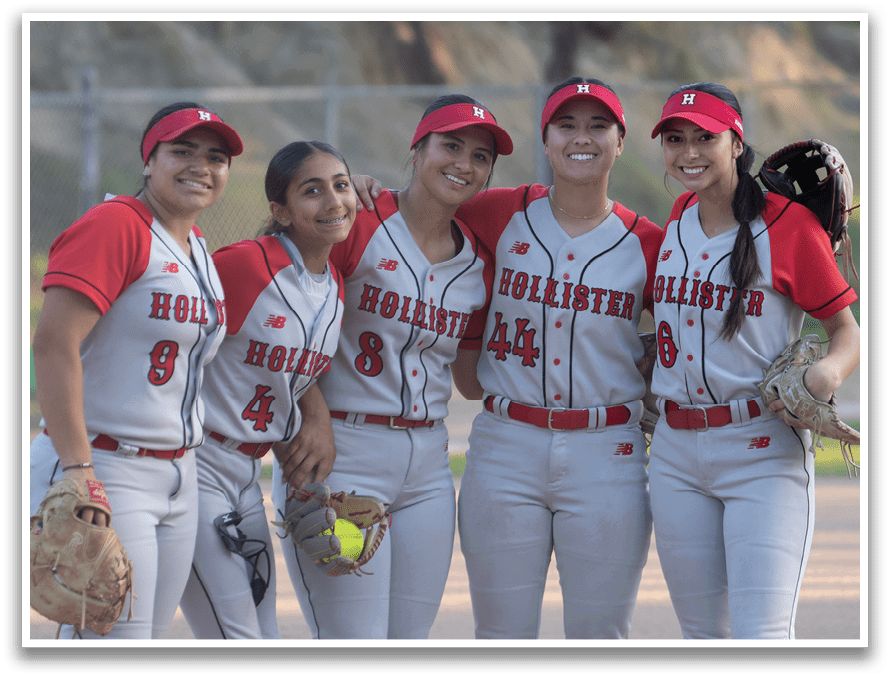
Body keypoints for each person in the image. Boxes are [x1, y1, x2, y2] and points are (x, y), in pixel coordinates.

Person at [353, 78, 662, 639]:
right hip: (505, 447)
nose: (581, 137)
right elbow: (419, 207)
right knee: (500, 634)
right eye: (566, 125)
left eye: (598, 126)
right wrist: (356, 189)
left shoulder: (649, 241)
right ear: (545, 140)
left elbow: (701, 319)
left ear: (622, 141)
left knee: (601, 633)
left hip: (607, 451)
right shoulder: (495, 211)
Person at [272, 94, 513, 639]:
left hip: (428, 466)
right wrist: (309, 410)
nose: (464, 163)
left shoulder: (477, 259)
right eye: (450, 146)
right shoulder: (355, 221)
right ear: (417, 150)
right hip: (341, 453)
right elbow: (279, 315)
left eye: (480, 156)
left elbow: (470, 382)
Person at [647, 82, 860, 639]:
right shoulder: (678, 215)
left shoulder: (788, 223)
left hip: (762, 450)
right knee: (703, 636)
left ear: (736, 144)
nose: (688, 152)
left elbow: (847, 333)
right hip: (673, 456)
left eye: (705, 138)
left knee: (760, 637)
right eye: (675, 139)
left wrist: (824, 374)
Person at [29, 102, 242, 639]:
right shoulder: (116, 225)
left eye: (216, 157)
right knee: (108, 641)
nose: (201, 166)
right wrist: (79, 470)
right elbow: (54, 345)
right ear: (149, 161)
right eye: (182, 151)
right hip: (106, 464)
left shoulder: (195, 248)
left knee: (136, 639)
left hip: (177, 474)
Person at [178, 141, 355, 638]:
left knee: (265, 631)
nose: (333, 202)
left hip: (246, 474)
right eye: (312, 191)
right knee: (238, 637)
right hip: (197, 462)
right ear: (281, 211)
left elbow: (291, 373)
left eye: (341, 186)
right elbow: (169, 338)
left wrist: (311, 418)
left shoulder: (334, 286)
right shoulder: (244, 266)